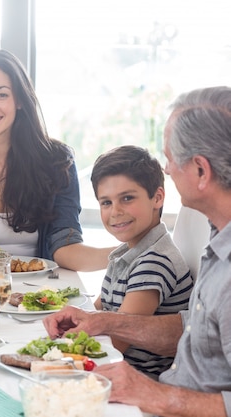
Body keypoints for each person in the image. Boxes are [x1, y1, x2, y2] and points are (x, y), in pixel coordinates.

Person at [44, 86, 231, 417]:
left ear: (201, 171)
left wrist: (155, 395)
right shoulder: (217, 239)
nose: (168, 170)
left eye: (171, 159)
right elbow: (194, 329)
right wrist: (100, 321)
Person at [0, 50, 112, 270]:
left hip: (37, 295)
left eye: (1, 95)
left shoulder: (57, 162)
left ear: (20, 101)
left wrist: (131, 252)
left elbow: (65, 245)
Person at [90, 145, 193, 379]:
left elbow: (117, 341)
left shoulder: (154, 262)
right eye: (106, 202)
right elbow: (97, 310)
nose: (115, 211)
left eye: (127, 198)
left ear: (157, 197)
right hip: (115, 368)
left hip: (136, 379)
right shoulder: (127, 253)